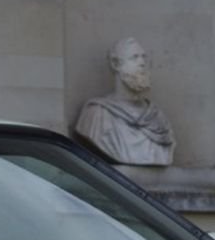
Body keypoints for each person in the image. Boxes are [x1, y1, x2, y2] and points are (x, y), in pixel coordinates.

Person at [73, 37, 176, 167]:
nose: (142, 63)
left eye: (144, 57)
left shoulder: (158, 118)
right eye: (134, 57)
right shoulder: (97, 114)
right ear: (115, 64)